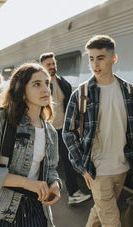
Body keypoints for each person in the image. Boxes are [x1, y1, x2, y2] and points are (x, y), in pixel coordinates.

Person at [62, 35, 133, 227]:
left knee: (99, 212)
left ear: (113, 59)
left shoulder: (127, 90)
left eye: (100, 58)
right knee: (112, 221)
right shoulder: (82, 93)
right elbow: (68, 131)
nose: (95, 64)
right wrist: (82, 166)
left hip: (122, 167)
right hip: (97, 169)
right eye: (91, 59)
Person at [0, 63, 62, 227]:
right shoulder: (2, 120)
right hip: (3, 213)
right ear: (22, 91)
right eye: (37, 84)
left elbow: (51, 168)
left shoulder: (50, 131)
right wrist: (27, 183)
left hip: (36, 210)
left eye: (47, 83)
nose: (45, 89)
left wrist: (55, 184)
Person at [40, 52, 91, 205]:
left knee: (67, 160)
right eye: (48, 64)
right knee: (44, 161)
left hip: (62, 130)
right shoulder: (40, 84)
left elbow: (71, 107)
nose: (52, 66)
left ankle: (73, 193)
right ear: (42, 66)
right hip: (45, 129)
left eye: (53, 63)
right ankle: (46, 191)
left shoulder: (64, 83)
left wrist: (75, 126)